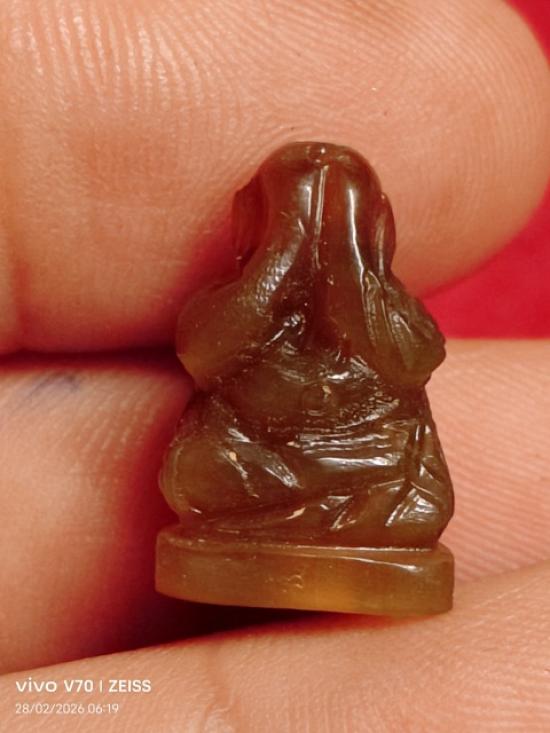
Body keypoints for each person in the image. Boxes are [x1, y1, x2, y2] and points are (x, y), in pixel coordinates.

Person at [0, 0, 549, 729]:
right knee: (198, 472)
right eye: (287, 214)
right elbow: (207, 356)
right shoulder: (228, 303)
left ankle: (313, 522)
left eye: (340, 216)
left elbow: (406, 362)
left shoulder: (384, 301)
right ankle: (291, 520)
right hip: (253, 454)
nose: (314, 228)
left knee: (417, 501)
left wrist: (347, 262)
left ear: (376, 224)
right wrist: (280, 256)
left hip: (367, 459)